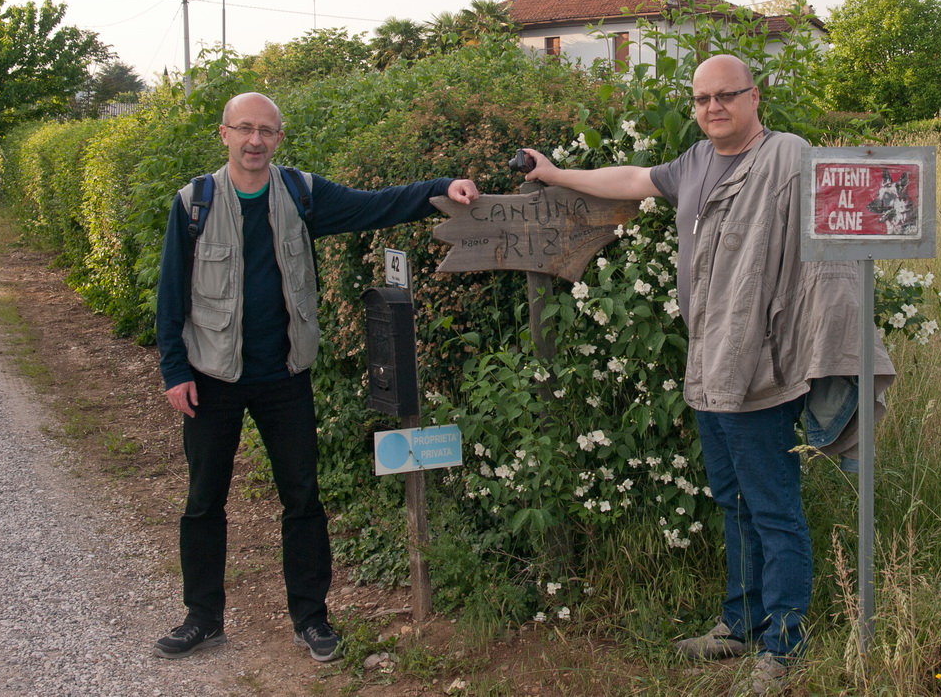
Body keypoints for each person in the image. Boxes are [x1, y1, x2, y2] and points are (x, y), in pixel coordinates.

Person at [523, 55, 894, 695]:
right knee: (733, 500)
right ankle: (741, 624)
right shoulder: (695, 161)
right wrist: (554, 173)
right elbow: (633, 178)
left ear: (754, 97)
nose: (713, 107)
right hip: (709, 361)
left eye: (726, 95)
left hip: (761, 365)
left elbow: (839, 233)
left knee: (774, 508)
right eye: (702, 99)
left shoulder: (787, 157)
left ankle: (783, 647)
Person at [153, 92, 479, 662]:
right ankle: (201, 618)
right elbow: (170, 294)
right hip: (212, 377)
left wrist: (441, 187)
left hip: (284, 377)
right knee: (204, 501)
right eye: (245, 129)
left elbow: (376, 206)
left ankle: (311, 619)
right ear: (224, 134)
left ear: (278, 139)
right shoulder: (194, 203)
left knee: (302, 499)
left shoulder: (301, 193)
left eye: (267, 131)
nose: (255, 141)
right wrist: (174, 370)